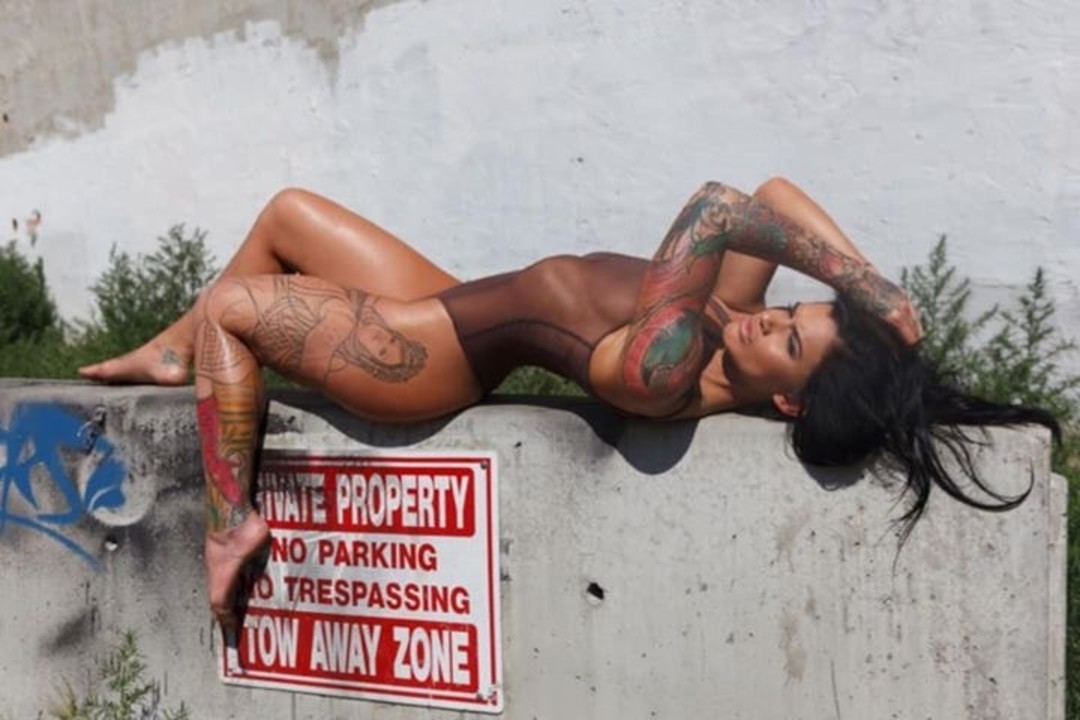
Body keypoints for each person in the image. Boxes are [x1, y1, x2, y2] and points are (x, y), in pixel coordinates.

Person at [79, 178, 1058, 630]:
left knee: (237, 316)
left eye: (789, 342)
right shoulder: (734, 328)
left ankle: (229, 524)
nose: (769, 320)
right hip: (457, 298)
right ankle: (169, 351)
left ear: (790, 405)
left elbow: (719, 207)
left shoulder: (669, 371)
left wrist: (859, 286)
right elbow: (774, 192)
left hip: (427, 360)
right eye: (793, 311)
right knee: (290, 212)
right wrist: (876, 292)